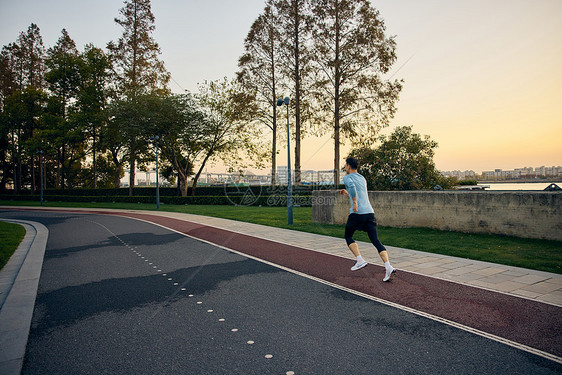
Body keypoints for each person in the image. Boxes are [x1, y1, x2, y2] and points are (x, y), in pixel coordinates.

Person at [340, 157, 396, 282]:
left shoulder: (347, 178)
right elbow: (359, 193)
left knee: (348, 236)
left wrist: (354, 203)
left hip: (357, 213)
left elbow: (353, 189)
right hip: (369, 213)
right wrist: (347, 195)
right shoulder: (362, 178)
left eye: (345, 165)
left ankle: (360, 260)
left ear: (348, 166)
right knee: (375, 240)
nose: (345, 167)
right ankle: (388, 267)